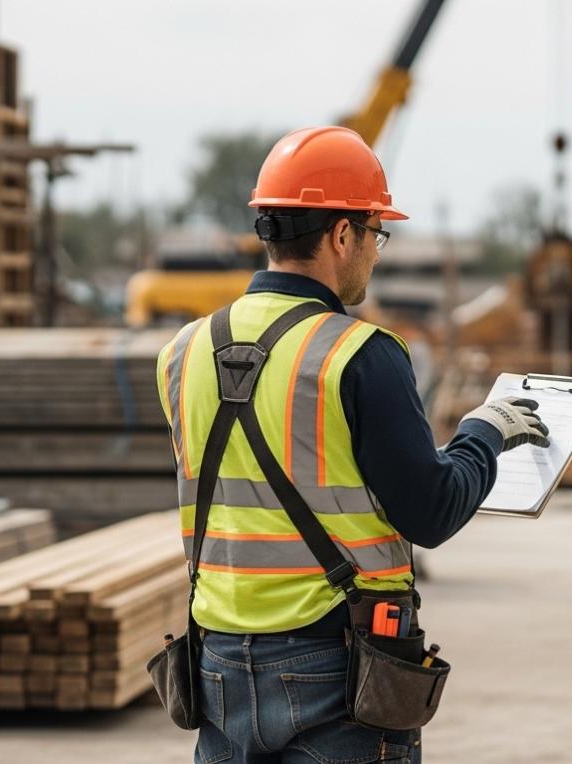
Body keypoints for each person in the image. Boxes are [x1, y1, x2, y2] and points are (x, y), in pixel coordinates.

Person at [156, 125, 551, 763]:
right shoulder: (360, 354)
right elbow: (431, 511)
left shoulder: (181, 352)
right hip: (334, 662)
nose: (375, 251)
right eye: (375, 233)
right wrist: (485, 432)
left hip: (217, 660)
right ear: (344, 234)